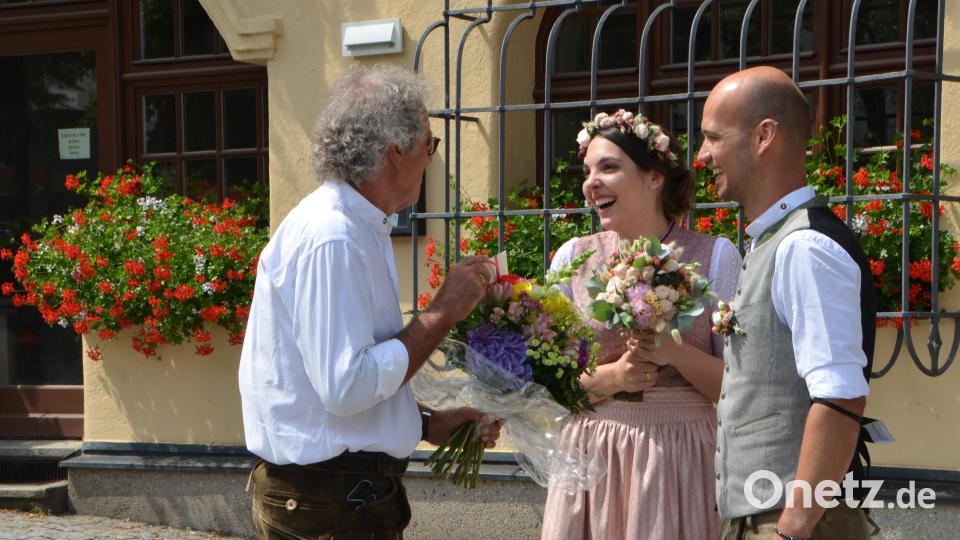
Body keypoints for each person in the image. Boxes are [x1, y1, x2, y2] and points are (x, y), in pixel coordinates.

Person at [238, 64, 501, 539]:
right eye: (429, 144)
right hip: (328, 498)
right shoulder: (333, 236)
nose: (430, 157)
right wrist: (442, 312)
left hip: (341, 493)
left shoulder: (358, 225)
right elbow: (346, 387)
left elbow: (340, 382)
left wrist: (423, 423)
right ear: (396, 150)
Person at [540, 109, 742, 539]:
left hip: (680, 453)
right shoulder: (570, 258)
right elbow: (550, 388)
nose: (590, 182)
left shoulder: (716, 257)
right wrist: (613, 377)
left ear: (654, 177)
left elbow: (737, 389)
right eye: (587, 170)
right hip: (592, 454)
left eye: (609, 167)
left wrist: (675, 353)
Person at [700, 66, 876, 539]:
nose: (702, 155)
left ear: (764, 135)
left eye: (713, 137)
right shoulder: (775, 242)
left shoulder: (804, 247)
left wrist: (791, 528)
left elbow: (841, 395)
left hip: (793, 524)